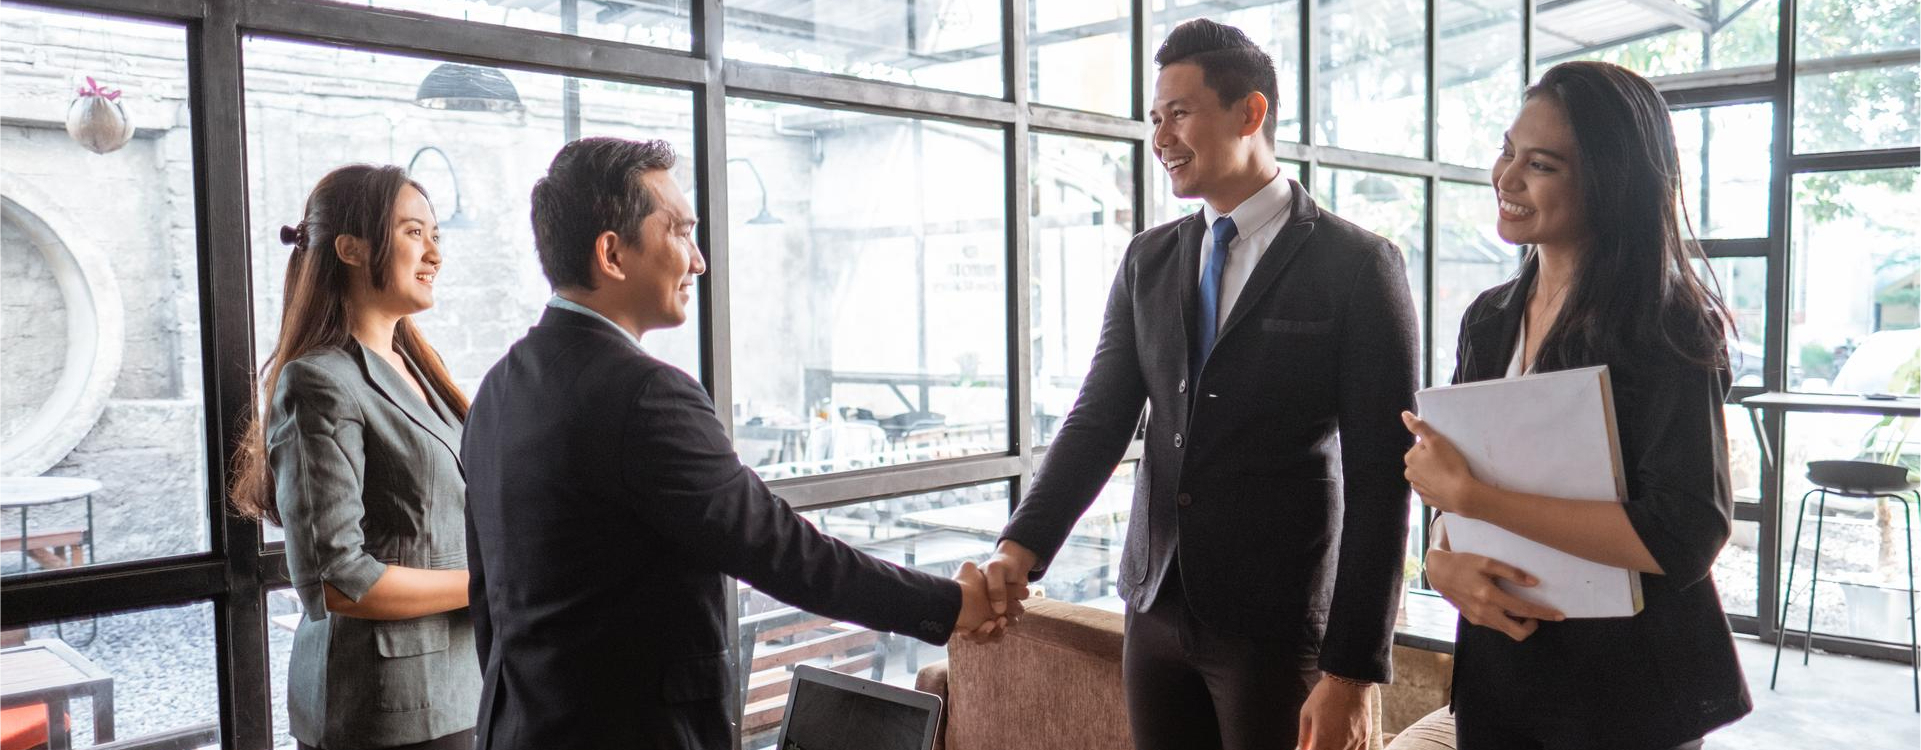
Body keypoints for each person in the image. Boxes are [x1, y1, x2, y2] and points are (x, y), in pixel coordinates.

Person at [459, 137, 1004, 750]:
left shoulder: (497, 388)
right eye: (680, 232)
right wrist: (950, 604)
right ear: (612, 253)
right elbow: (778, 548)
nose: (698, 261)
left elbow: (490, 598)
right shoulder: (645, 395)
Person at [981, 18, 1419, 750]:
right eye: (1154, 119)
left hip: (1275, 622)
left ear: (1250, 112)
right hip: (1153, 607)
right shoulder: (1147, 259)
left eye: (1178, 114)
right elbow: (1098, 419)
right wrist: (1018, 548)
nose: (1160, 138)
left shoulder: (1358, 266)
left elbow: (1382, 478)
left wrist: (1351, 671)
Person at [1402, 60, 1752, 749]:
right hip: (1503, 678)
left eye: (1541, 165)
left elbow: (1684, 530)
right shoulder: (1488, 318)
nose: (1505, 179)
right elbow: (1451, 496)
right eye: (1506, 151)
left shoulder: (1669, 324)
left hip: (1625, 696)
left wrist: (1473, 500)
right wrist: (1439, 560)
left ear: (1610, 181)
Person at [229, 164, 479, 750]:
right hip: (383, 706)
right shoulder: (319, 381)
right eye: (415, 232)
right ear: (350, 248)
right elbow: (340, 581)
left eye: (436, 235)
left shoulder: (421, 370)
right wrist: (491, 583)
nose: (434, 254)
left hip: (459, 686)